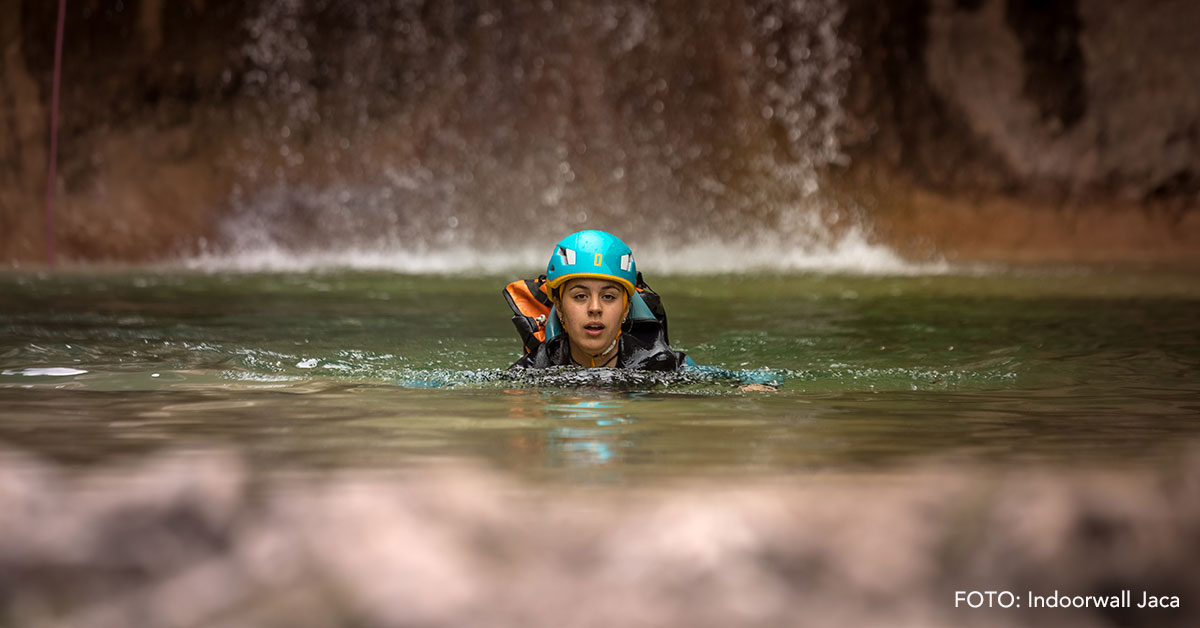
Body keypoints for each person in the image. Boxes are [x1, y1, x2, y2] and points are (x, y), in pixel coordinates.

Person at [507, 230, 692, 370]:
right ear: (560, 307)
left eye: (608, 297)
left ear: (626, 308)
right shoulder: (530, 372)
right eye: (580, 296)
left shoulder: (669, 367)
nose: (595, 308)